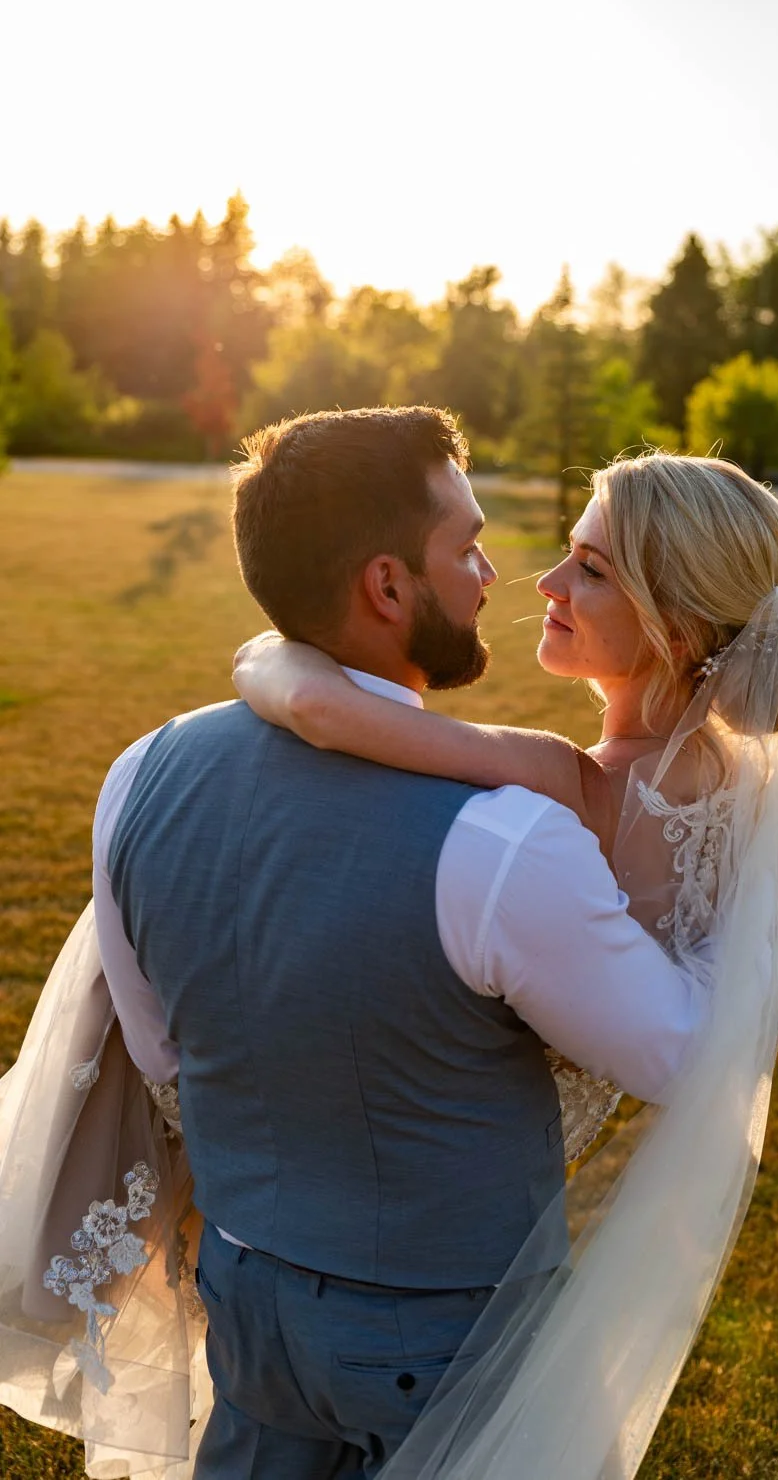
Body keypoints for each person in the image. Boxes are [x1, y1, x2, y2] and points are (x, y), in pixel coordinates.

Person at [0, 409, 722, 1480]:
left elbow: (160, 1055)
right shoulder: (506, 843)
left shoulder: (142, 771)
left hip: (246, 1296)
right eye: (464, 547)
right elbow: (673, 1054)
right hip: (443, 1341)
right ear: (387, 588)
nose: (494, 574)